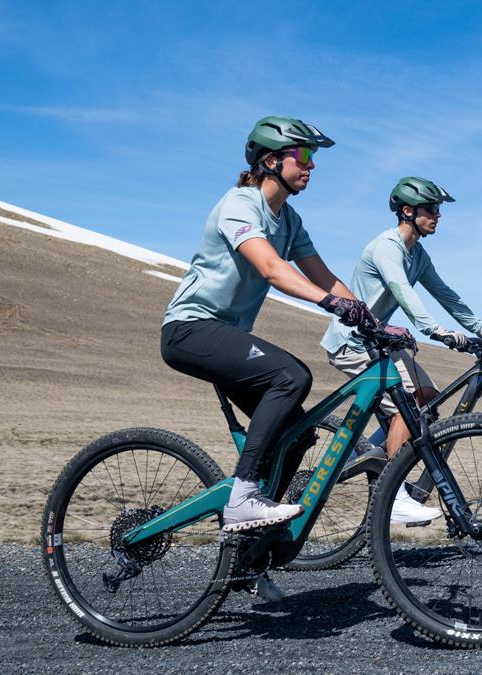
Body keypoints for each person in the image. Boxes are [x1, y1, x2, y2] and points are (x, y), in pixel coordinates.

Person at [160, 116, 377, 600]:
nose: (311, 165)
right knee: (291, 375)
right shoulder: (241, 203)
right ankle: (242, 496)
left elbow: (323, 276)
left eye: (312, 157)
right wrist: (331, 305)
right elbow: (272, 269)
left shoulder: (291, 220)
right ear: (269, 161)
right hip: (190, 329)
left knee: (294, 438)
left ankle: (246, 564)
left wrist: (367, 318)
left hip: (226, 335)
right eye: (303, 156)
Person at [319, 176, 482, 523]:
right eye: (431, 209)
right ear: (407, 210)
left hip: (380, 344)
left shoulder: (418, 254)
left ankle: (370, 454)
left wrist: (480, 328)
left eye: (438, 209)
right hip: (352, 343)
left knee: (427, 399)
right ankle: (394, 494)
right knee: (407, 409)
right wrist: (435, 330)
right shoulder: (387, 246)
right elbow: (402, 291)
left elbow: (445, 293)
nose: (438, 215)